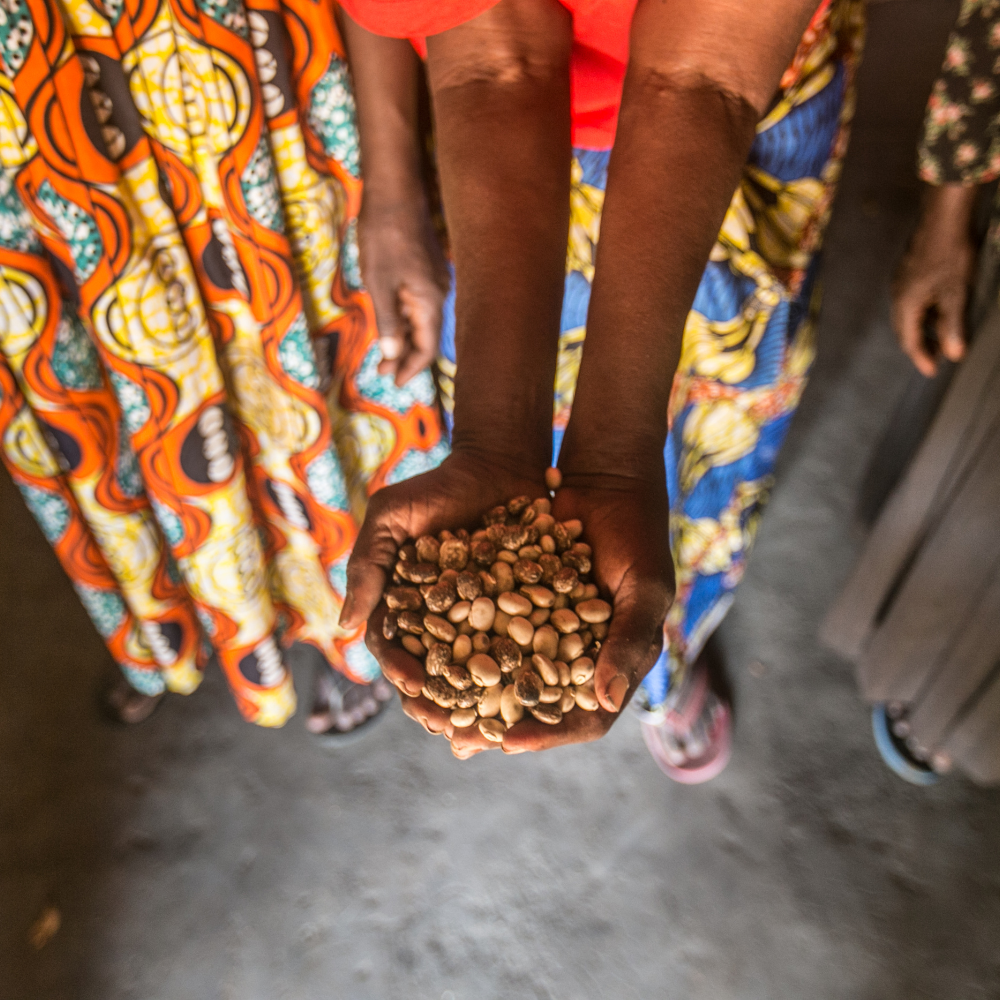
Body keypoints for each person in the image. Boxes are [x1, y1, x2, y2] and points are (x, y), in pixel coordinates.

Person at [337, 0, 865, 777]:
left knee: (718, 412)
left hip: (748, 92)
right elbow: (493, 64)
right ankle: (656, 659)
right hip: (505, 150)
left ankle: (677, 657)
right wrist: (493, 438)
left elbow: (705, 77)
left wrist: (616, 457)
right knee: (580, 465)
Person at [0, 0, 445, 736]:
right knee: (116, 398)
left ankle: (347, 629)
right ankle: (200, 620)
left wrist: (394, 189)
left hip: (239, 81)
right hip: (37, 111)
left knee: (318, 366)